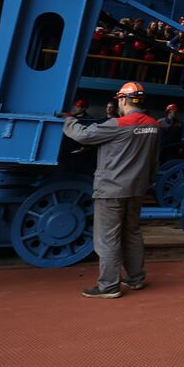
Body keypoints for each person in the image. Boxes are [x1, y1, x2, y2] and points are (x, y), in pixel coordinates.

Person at [61, 81, 161, 300]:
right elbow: (154, 159)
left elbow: (83, 135)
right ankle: (135, 279)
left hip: (112, 190)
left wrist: (69, 120)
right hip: (136, 189)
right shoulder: (153, 125)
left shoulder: (118, 124)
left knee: (108, 238)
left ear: (123, 100)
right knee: (132, 233)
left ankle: (109, 286)